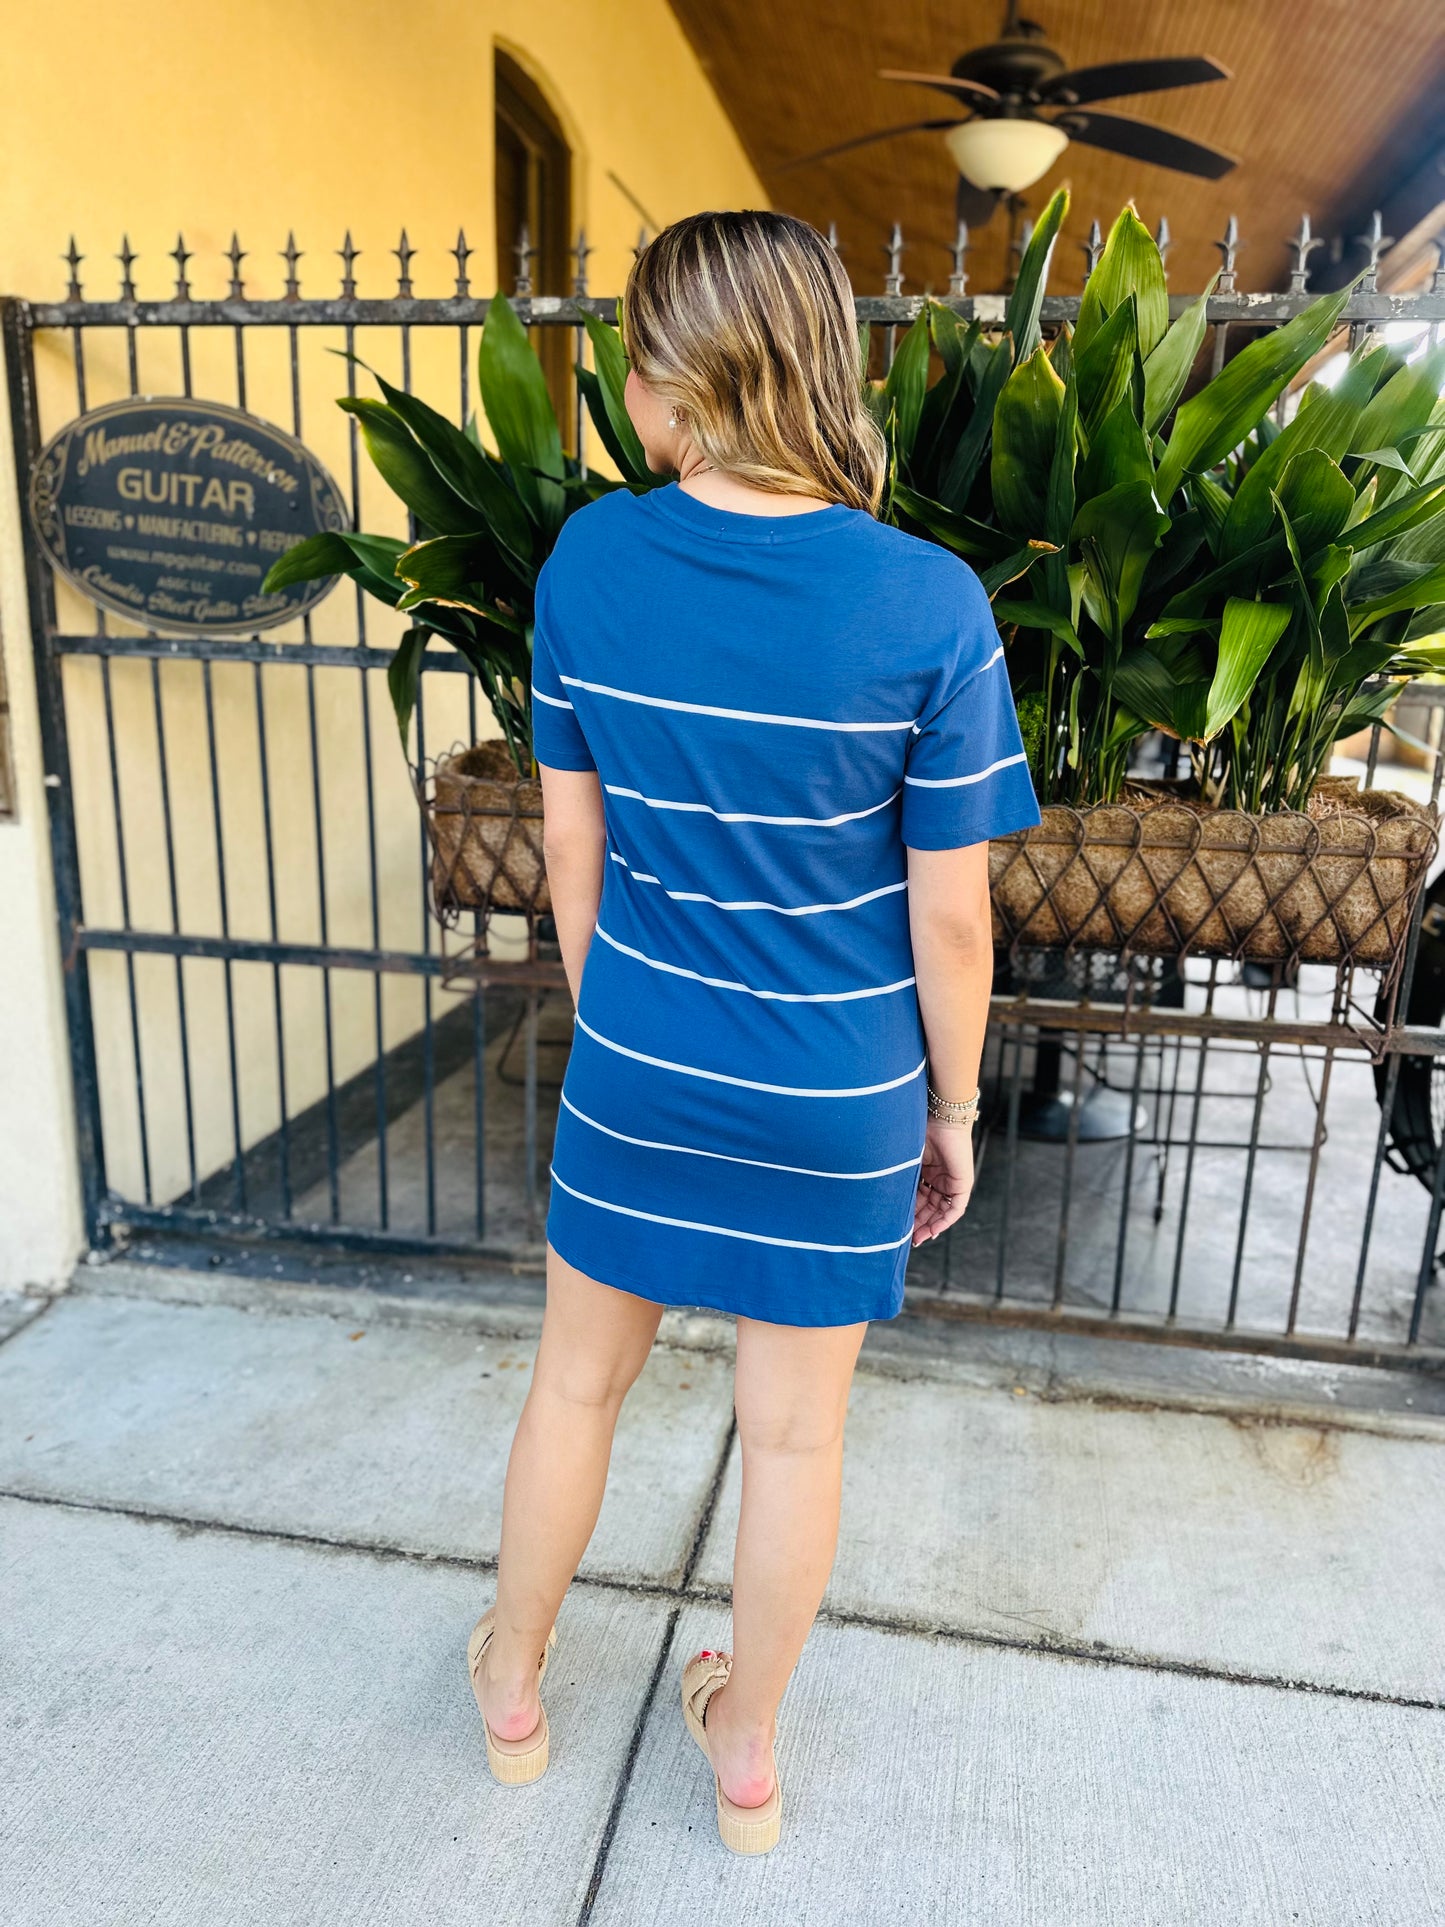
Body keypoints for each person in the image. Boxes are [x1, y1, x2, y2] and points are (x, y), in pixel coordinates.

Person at [467, 209, 1040, 1854]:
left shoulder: (591, 561)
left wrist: (621, 1022)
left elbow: (569, 844)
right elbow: (950, 919)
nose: (628, 392)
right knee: (793, 1435)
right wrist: (951, 1112)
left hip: (639, 1063)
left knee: (576, 1389)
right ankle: (744, 1753)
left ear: (682, 377)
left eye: (634, 361)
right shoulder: (927, 604)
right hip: (837, 1091)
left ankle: (513, 1685)